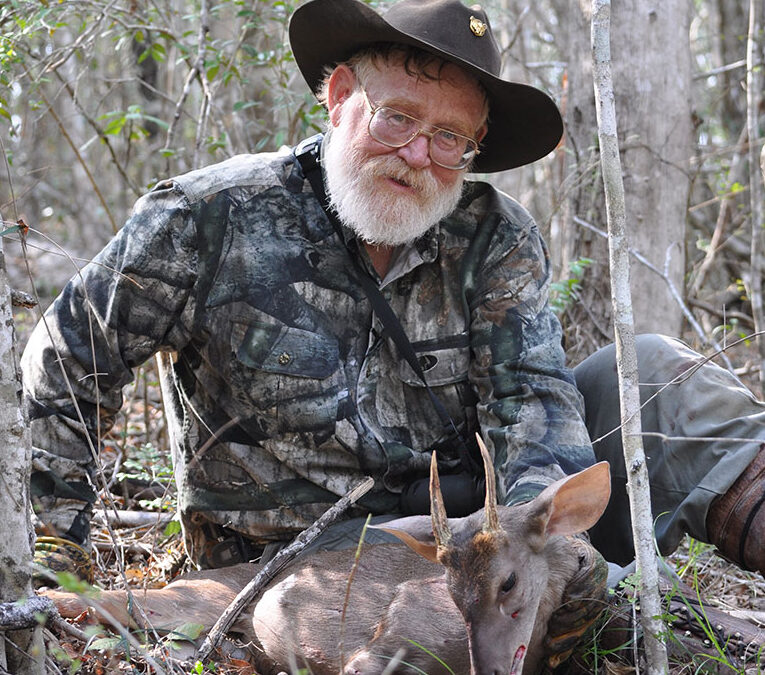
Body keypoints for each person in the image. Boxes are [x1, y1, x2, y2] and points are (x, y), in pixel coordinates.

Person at [21, 0, 764, 656]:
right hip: (306, 561)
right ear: (339, 96)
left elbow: (534, 407)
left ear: (472, 151)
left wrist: (540, 545)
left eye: (449, 139)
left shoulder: (493, 238)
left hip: (477, 538)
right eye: (398, 118)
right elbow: (67, 359)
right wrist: (57, 550)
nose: (416, 155)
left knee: (656, 372)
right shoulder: (204, 219)